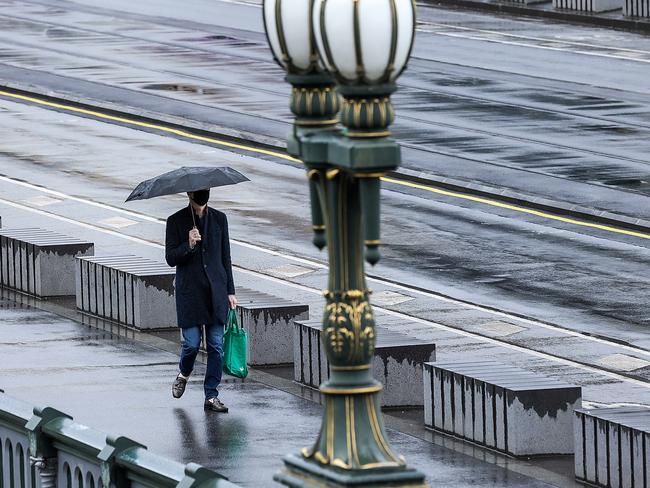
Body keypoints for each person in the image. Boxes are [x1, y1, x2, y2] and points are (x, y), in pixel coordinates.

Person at [165, 188, 237, 413]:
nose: (203, 197)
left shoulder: (219, 219)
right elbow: (170, 258)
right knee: (192, 344)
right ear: (189, 195)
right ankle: (184, 373)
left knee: (216, 346)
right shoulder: (176, 221)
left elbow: (226, 256)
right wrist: (189, 245)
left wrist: (230, 291)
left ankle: (211, 395)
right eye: (198, 193)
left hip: (216, 292)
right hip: (191, 294)